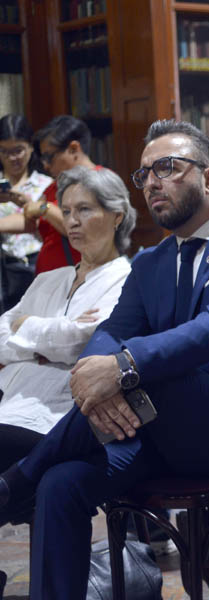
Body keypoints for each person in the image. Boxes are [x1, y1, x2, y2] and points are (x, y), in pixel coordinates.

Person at [0, 119, 209, 598]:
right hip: (157, 431)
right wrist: (95, 375)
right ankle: (36, 485)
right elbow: (110, 334)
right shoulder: (150, 263)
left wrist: (121, 368)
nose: (152, 183)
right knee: (63, 482)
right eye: (144, 174)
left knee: (151, 373)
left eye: (167, 167)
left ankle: (17, 478)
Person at [0, 165, 134, 472]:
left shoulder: (127, 279)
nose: (72, 221)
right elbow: (1, 339)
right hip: (9, 400)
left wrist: (26, 326)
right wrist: (50, 341)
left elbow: (84, 342)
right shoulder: (49, 278)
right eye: (68, 211)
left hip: (54, 417)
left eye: (84, 209)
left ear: (117, 216)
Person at [32, 115, 104, 273]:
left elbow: (83, 229)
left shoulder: (102, 181)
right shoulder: (53, 187)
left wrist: (45, 208)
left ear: (73, 149)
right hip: (49, 284)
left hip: (82, 281)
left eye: (49, 156)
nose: (45, 164)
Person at [0, 115, 52, 309]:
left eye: (18, 150)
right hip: (4, 269)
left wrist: (30, 205)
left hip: (38, 265)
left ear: (31, 147)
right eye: (4, 151)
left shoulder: (45, 185)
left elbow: (49, 230)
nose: (12, 158)